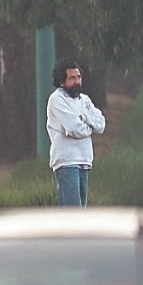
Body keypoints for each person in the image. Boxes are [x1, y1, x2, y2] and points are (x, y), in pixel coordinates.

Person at [46, 59, 105, 207]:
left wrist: (84, 119)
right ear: (61, 81)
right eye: (72, 78)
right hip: (66, 160)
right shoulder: (57, 99)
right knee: (72, 211)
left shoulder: (84, 100)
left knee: (81, 211)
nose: (77, 81)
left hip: (84, 159)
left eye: (78, 77)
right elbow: (74, 129)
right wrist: (89, 126)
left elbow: (101, 125)